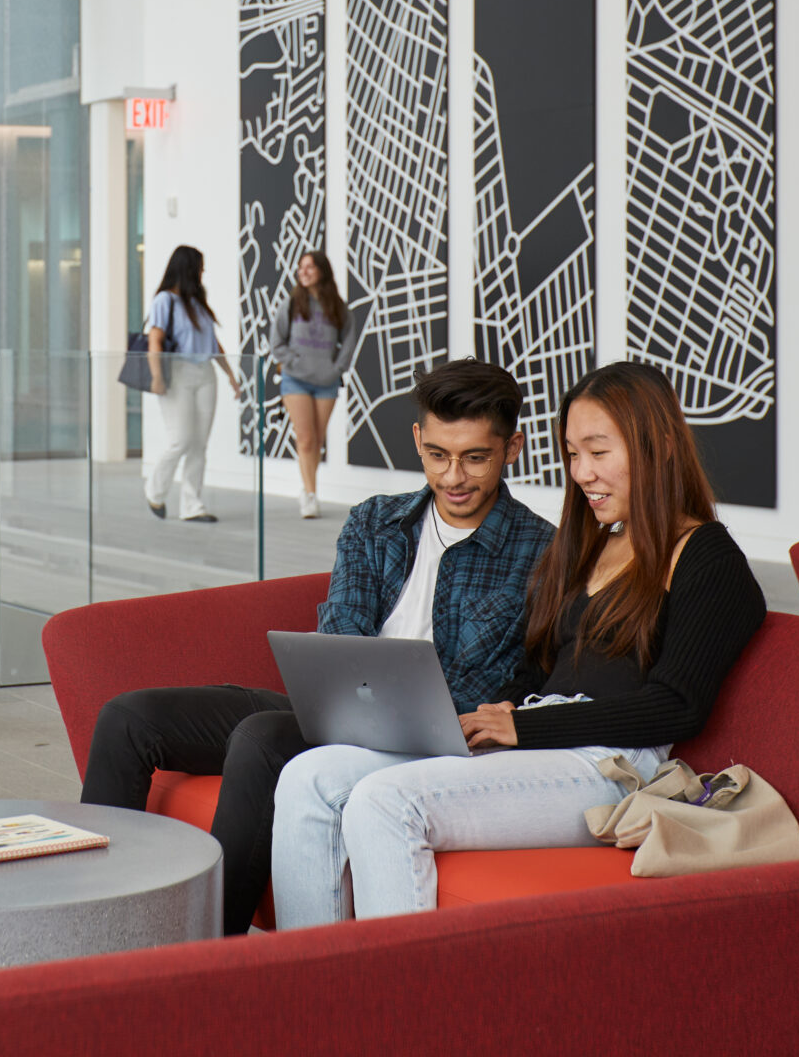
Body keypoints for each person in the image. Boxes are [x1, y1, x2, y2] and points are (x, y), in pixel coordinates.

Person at [270, 360, 765, 926]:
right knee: (309, 777)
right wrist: (500, 711)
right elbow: (547, 670)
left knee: (386, 802)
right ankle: (302, 987)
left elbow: (679, 706)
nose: (581, 472)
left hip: (612, 764)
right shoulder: (594, 545)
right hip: (545, 742)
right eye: (573, 454)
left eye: (598, 452)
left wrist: (525, 727)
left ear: (658, 447)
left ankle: (397, 1009)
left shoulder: (706, 555)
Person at [84, 358, 553, 935]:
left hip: (428, 743)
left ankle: (204, 958)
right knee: (128, 719)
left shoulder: (544, 554)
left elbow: (506, 684)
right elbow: (341, 639)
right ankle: (93, 932)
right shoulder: (376, 522)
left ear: (513, 449)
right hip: (336, 713)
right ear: (417, 441)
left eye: (475, 457)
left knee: (260, 738)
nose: (453, 476)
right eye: (437, 455)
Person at [142, 245, 243, 523]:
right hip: (178, 373)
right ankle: (155, 488)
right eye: (200, 266)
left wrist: (231, 376)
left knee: (199, 444)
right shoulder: (164, 301)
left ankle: (192, 505)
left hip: (205, 373)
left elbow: (213, 345)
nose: (203, 271)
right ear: (187, 267)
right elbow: (155, 341)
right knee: (181, 439)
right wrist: (157, 378)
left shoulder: (198, 303)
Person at [268, 249, 366, 520]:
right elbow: (276, 343)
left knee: (317, 440)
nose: (304, 271)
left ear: (322, 270)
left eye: (310, 267)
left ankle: (309, 490)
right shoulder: (290, 304)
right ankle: (309, 494)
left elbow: (349, 337)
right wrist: (293, 363)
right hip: (295, 379)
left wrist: (338, 367)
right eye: (301, 267)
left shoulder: (337, 305)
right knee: (307, 438)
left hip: (326, 381)